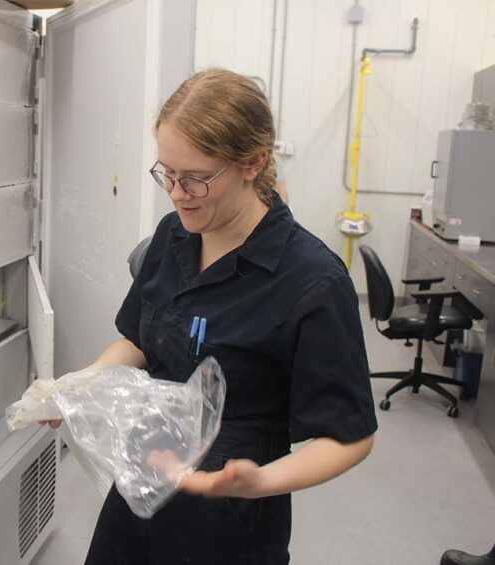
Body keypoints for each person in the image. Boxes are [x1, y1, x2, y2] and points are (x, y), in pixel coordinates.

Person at [45, 68, 377, 564]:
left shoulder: (311, 280)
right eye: (167, 174)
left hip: (229, 518)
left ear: (254, 163)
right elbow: (138, 341)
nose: (178, 193)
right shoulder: (172, 236)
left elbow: (350, 438)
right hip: (141, 488)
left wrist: (261, 480)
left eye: (197, 178)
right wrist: (82, 383)